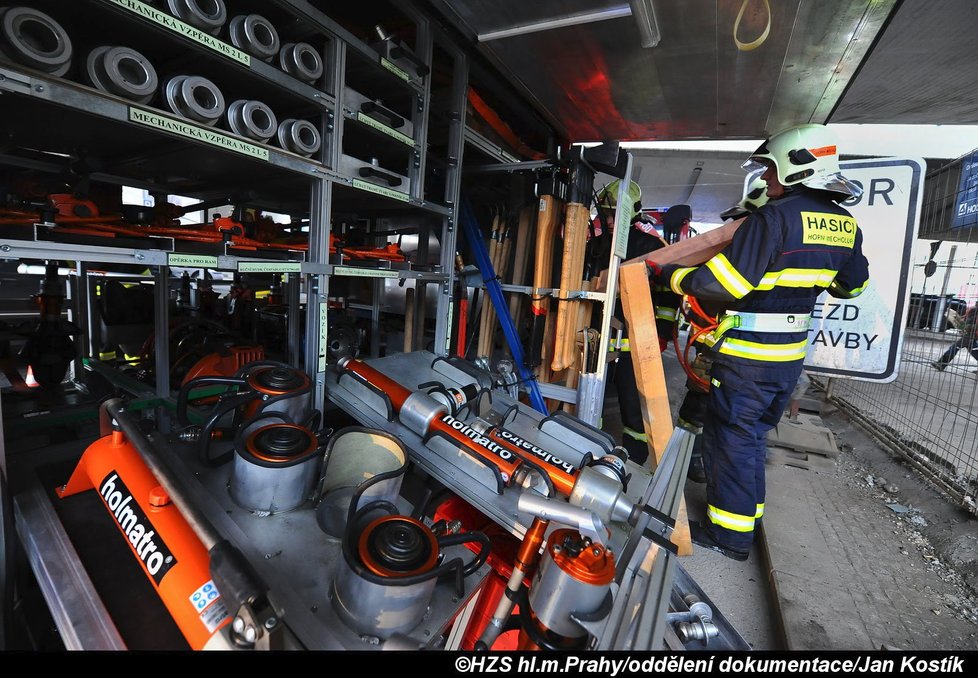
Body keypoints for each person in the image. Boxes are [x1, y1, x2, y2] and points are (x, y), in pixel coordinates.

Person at [647, 123, 870, 560]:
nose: (766, 182)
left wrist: (669, 276)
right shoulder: (846, 225)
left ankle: (729, 536)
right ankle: (745, 520)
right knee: (751, 439)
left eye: (770, 172)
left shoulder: (774, 219)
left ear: (796, 168)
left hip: (748, 357)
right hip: (787, 361)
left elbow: (724, 284)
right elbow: (851, 289)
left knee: (730, 440)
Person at [676, 177, 770, 483]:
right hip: (749, 358)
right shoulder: (774, 253)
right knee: (730, 421)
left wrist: (673, 276)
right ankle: (695, 460)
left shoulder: (750, 254)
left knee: (708, 415)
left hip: (728, 356)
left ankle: (693, 462)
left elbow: (709, 287)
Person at [592, 179, 681, 466]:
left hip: (638, 339)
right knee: (595, 393)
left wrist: (663, 332)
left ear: (630, 213)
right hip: (600, 336)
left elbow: (669, 296)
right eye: (604, 213)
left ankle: (635, 456)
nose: (606, 219)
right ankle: (594, 441)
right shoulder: (595, 245)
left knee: (635, 402)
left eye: (611, 213)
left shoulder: (653, 248)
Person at [931, 305, 978, 371]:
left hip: (970, 335)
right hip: (969, 334)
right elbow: (966, 320)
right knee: (974, 351)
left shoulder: (974, 311)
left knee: (954, 347)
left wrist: (967, 326)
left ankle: (941, 364)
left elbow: (973, 325)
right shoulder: (973, 310)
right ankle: (941, 364)